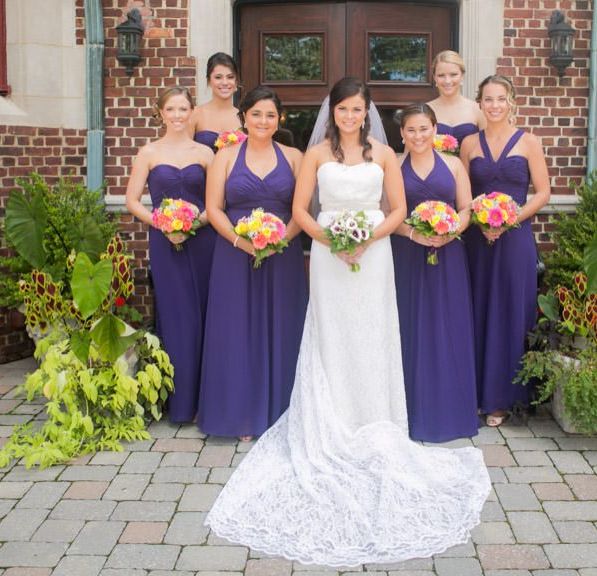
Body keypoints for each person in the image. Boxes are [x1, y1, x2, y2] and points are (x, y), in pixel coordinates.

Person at [204, 77, 490, 567]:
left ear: (367, 111)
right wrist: (333, 241)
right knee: (332, 337)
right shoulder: (314, 155)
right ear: (333, 112)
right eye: (343, 109)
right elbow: (299, 209)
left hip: (374, 256)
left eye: (358, 109)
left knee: (372, 336)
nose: (350, 116)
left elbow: (397, 209)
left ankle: (374, 419)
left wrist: (365, 239)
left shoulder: (383, 155)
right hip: (328, 253)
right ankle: (331, 421)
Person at [197, 86, 308, 442]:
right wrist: (240, 241)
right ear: (243, 116)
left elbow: (302, 209)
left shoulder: (294, 157)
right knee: (236, 328)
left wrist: (281, 240)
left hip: (282, 254)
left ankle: (281, 412)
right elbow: (213, 208)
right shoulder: (225, 156)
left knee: (282, 326)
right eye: (256, 114)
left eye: (271, 115)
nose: (263, 121)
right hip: (233, 253)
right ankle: (240, 413)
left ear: (280, 119)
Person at [460, 75, 551, 427]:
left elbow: (542, 192)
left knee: (511, 312)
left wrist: (509, 219)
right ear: (480, 103)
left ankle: (504, 397)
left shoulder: (529, 142)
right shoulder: (469, 143)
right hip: (477, 240)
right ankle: (476, 392)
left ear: (511, 101)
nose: (494, 105)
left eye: (500, 99)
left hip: (514, 239)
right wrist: (480, 221)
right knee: (478, 310)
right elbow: (463, 190)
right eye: (487, 99)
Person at [125, 86, 216, 423]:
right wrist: (162, 223)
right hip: (164, 243)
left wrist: (192, 223)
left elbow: (216, 202)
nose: (178, 115)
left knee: (204, 314)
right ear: (160, 113)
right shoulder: (148, 152)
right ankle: (178, 403)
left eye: (183, 109)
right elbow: (133, 200)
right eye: (171, 109)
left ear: (192, 112)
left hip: (203, 241)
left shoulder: (206, 154)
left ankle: (205, 400)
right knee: (177, 316)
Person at [391, 103, 478, 442]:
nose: (418, 136)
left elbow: (466, 209)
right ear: (402, 134)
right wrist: (414, 233)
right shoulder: (394, 167)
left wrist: (450, 230)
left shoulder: (454, 164)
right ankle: (412, 410)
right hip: (408, 255)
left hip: (449, 254)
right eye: (411, 130)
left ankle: (450, 410)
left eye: (424, 129)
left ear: (435, 130)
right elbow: (389, 214)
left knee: (447, 325)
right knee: (412, 327)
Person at [427, 50, 486, 146]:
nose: (447, 81)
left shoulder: (478, 110)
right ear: (434, 78)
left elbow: (488, 147)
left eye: (453, 74)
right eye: (441, 75)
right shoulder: (425, 110)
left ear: (462, 76)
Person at [189, 52, 242, 151]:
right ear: (209, 80)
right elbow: (185, 153)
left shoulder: (243, 118)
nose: (225, 82)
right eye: (218, 77)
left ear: (236, 81)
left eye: (230, 77)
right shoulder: (195, 114)